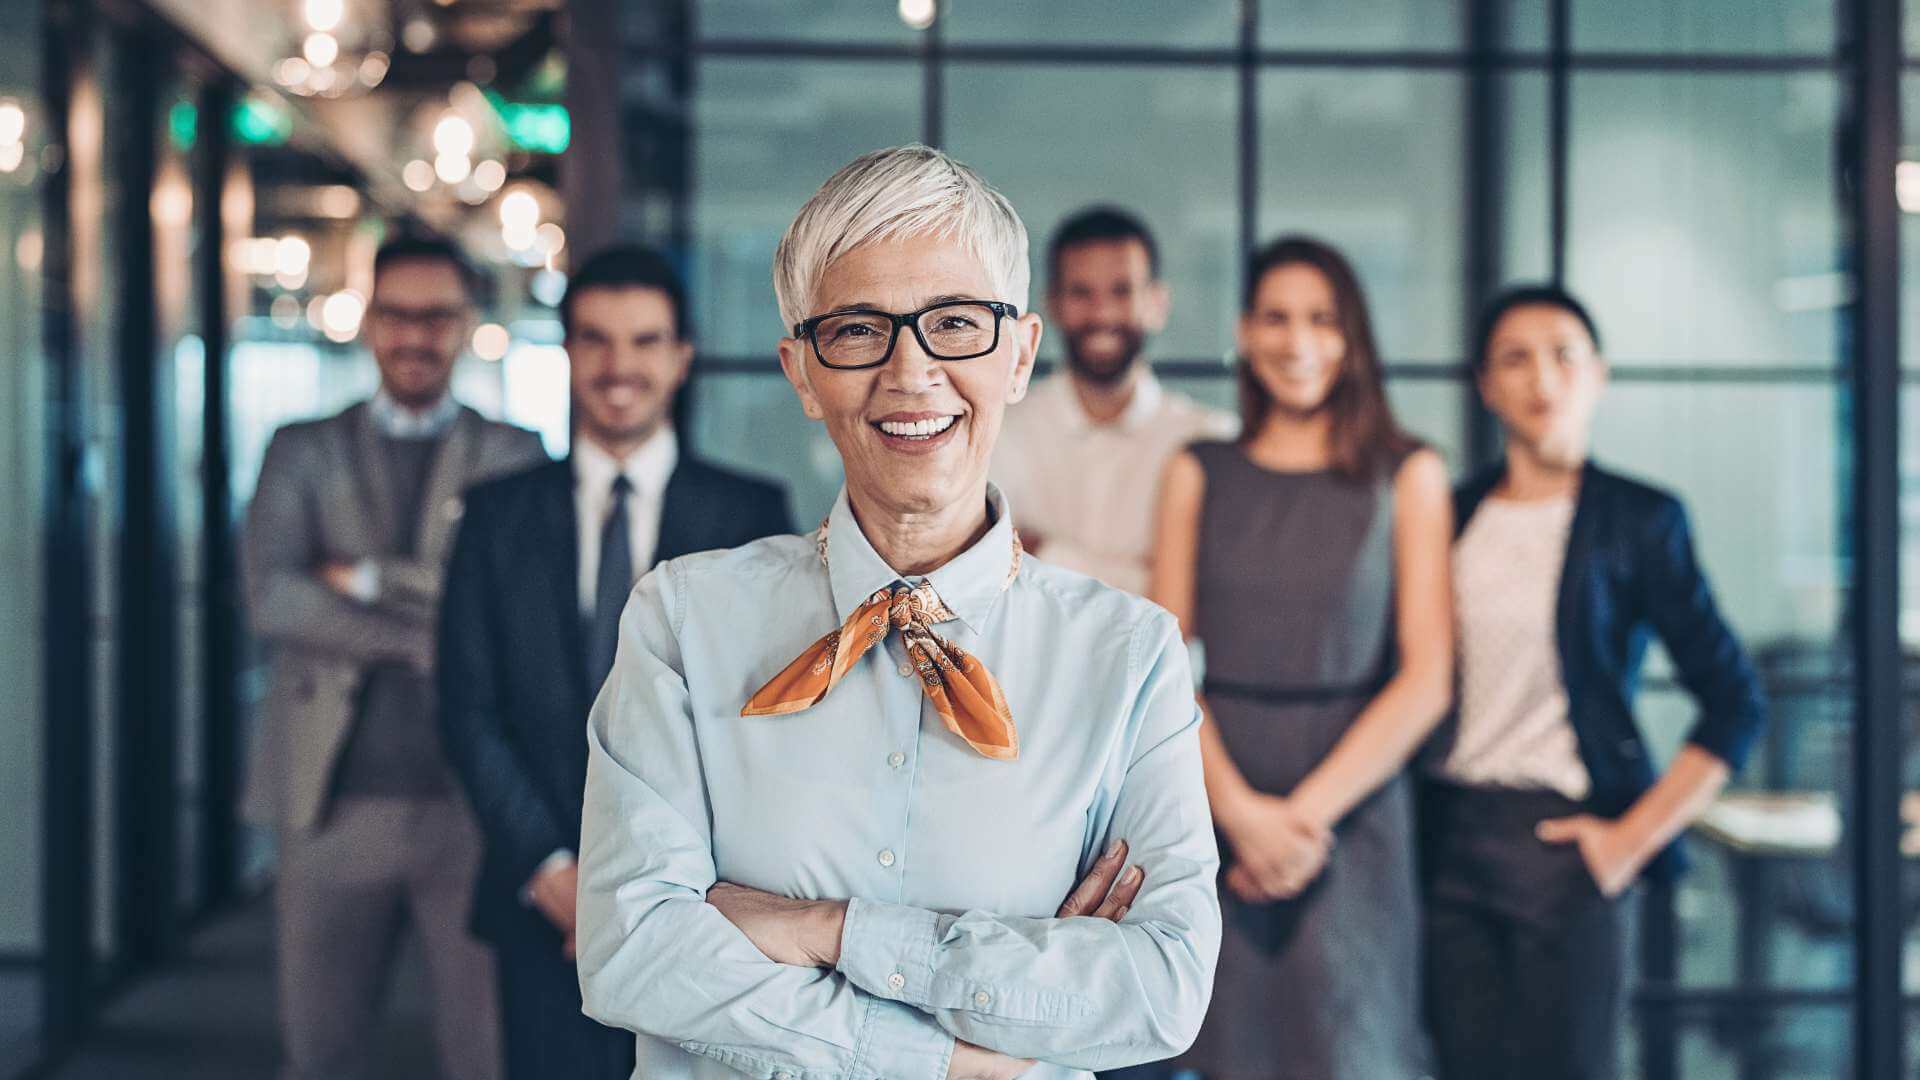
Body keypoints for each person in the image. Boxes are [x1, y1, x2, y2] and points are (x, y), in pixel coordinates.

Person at [573, 145, 1221, 1080]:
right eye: (857, 330)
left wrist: (826, 931)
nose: (911, 372)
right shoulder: (682, 620)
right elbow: (633, 950)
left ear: (1021, 356)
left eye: (955, 323)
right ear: (802, 372)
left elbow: (1160, 989)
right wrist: (966, 1053)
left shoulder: (1130, 657)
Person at [438, 246, 794, 1080]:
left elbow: (770, 715)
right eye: (595, 340)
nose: (618, 366)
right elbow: (467, 709)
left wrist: (682, 886)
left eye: (644, 341)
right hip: (540, 898)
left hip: (710, 907)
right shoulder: (495, 517)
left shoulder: (754, 513)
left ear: (681, 357)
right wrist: (555, 873)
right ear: (567, 353)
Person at [1422, 286, 1767, 1080]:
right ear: (1485, 384)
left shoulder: (1641, 519)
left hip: (1570, 839)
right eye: (1515, 357)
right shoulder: (1450, 513)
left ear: (1598, 375)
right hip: (1448, 839)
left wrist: (1629, 841)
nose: (1542, 376)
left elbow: (1736, 701)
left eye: (1563, 354)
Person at [241, 236, 547, 1080]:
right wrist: (427, 633)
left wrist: (369, 577)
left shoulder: (514, 453)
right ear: (370, 321)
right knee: (321, 1050)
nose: (416, 335)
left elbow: (506, 608)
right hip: (331, 803)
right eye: (399, 315)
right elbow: (274, 597)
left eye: (437, 316)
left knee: (486, 1054)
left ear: (465, 325)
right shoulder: (299, 448)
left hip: (472, 811)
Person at [1150, 236, 1454, 1080]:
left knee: (1352, 1047)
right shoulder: (1195, 471)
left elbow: (1428, 678)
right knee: (1221, 1048)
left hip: (1354, 809)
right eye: (1276, 318)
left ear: (1352, 337)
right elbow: (1162, 670)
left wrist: (1302, 820)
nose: (1298, 340)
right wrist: (1244, 817)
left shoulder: (1410, 474)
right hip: (1217, 792)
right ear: (1245, 333)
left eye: (1322, 319)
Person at [991, 206, 1235, 595]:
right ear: (1052, 304)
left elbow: (1209, 596)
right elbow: (981, 573)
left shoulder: (1210, 440)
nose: (1102, 312)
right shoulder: (999, 430)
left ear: (1157, 304)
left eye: (1121, 291)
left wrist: (1043, 552)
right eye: (1081, 293)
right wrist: (1150, 573)